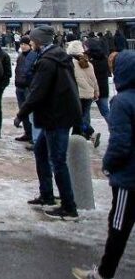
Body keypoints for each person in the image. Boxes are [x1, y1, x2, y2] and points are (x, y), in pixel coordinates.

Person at [73, 50, 135, 279]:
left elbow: (120, 143)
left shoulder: (122, 102)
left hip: (129, 178)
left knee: (118, 226)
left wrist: (108, 165)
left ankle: (103, 273)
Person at [16, 25, 82, 221]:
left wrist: (22, 113)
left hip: (56, 115)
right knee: (41, 152)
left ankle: (69, 206)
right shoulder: (58, 56)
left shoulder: (48, 61)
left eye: (32, 40)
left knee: (58, 160)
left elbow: (38, 91)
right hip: (56, 114)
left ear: (38, 41)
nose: (30, 42)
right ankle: (47, 195)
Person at [68, 40, 101, 146]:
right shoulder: (88, 63)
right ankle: (76, 138)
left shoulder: (70, 64)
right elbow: (94, 79)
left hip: (78, 94)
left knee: (78, 119)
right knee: (83, 116)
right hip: (89, 94)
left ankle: (91, 133)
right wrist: (96, 91)